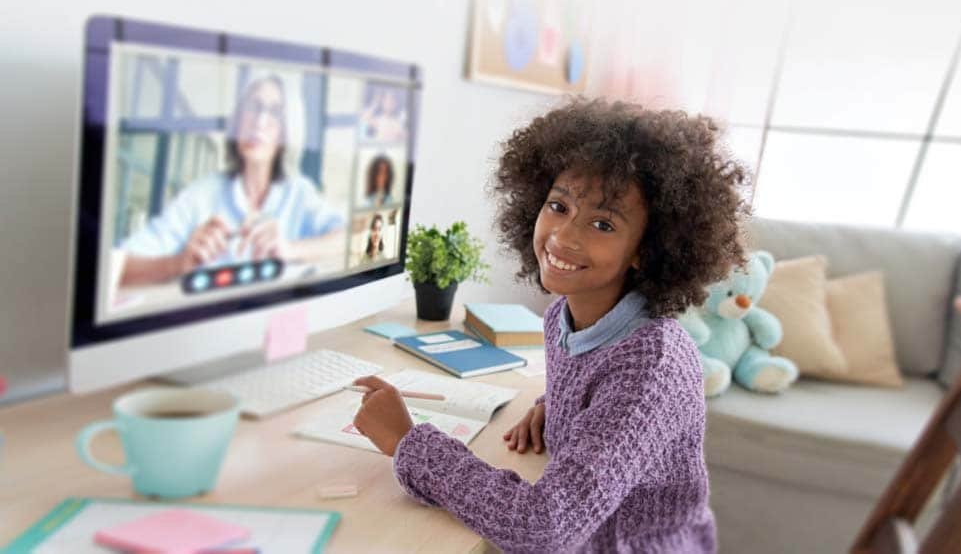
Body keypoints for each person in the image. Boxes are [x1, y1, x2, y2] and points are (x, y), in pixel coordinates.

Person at [351, 98, 749, 553]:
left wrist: (408, 442)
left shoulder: (650, 367)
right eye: (559, 206)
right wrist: (556, 405)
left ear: (647, 248)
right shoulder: (566, 313)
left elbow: (545, 528)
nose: (564, 236)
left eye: (602, 223)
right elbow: (597, 387)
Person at [120, 74, 345, 286]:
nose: (260, 120)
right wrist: (179, 263)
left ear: (287, 131)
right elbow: (121, 265)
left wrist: (290, 249)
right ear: (238, 121)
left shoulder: (299, 192)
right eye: (253, 107)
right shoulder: (201, 195)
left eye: (275, 112)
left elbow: (349, 237)